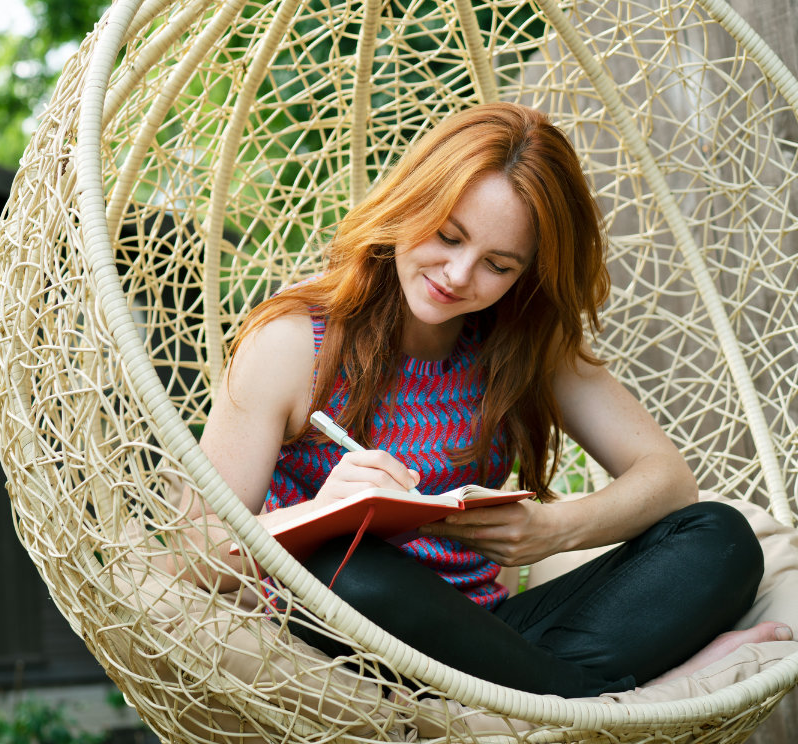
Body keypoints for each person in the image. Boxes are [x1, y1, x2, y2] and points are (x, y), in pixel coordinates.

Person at [191, 102, 789, 697]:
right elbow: (195, 554)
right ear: (411, 201)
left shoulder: (520, 338)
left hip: (494, 639)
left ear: (525, 274)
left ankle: (551, 696)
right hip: (349, 632)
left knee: (721, 536)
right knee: (339, 570)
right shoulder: (296, 342)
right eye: (448, 236)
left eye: (497, 266)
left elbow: (668, 480)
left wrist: (554, 529)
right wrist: (326, 515)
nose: (456, 275)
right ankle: (624, 698)